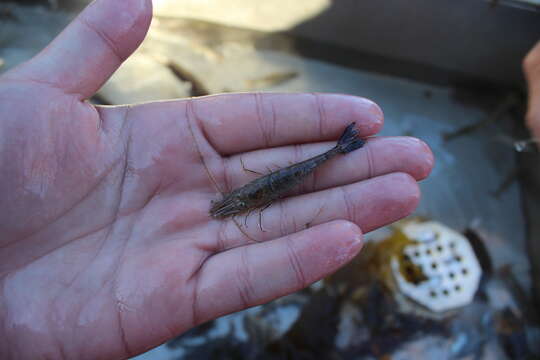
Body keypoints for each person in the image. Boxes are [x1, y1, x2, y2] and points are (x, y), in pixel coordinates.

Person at [0, 0, 434, 358]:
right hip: (274, 181)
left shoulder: (241, 196)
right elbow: (249, 194)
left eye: (228, 206)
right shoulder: (238, 197)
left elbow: (253, 192)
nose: (225, 207)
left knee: (295, 182)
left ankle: (343, 147)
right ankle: (342, 148)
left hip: (283, 177)